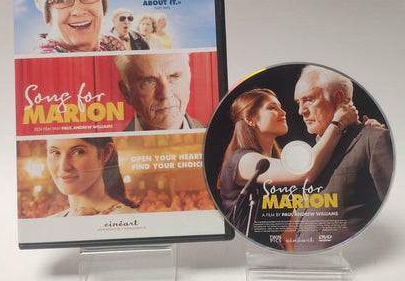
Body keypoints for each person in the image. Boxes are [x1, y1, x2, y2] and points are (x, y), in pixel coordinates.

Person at [218, 88, 359, 248]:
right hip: (241, 251)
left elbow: (291, 226)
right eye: (272, 107)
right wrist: (338, 123)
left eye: (280, 106)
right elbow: (305, 172)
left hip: (271, 254)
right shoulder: (244, 160)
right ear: (250, 119)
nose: (283, 112)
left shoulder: (275, 162)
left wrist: (360, 133)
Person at [293, 65, 393, 250]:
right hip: (303, 263)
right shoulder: (311, 154)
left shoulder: (374, 139)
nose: (301, 111)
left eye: (309, 99)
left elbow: (394, 214)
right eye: (298, 102)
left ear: (338, 98)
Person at [46, 137, 138, 216]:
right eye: (55, 152)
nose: (64, 167)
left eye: (78, 152)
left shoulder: (125, 217)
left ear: (106, 153)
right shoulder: (50, 222)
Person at [114, 52, 205, 131]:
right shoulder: (112, 144)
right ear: (126, 92)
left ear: (189, 79)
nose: (166, 95)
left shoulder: (212, 136)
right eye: (149, 81)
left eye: (175, 77)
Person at [34, 0, 126, 53]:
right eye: (62, 0)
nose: (78, 11)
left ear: (103, 4)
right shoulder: (45, 61)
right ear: (48, 14)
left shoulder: (111, 42)